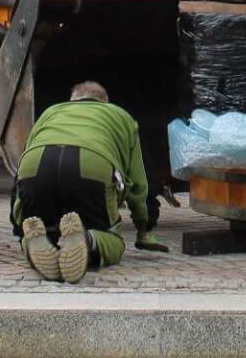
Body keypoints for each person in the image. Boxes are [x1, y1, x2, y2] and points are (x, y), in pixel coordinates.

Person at [12, 82, 162, 283]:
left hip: (37, 164)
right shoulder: (121, 116)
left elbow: (19, 179)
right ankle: (88, 239)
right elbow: (138, 182)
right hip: (91, 165)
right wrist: (143, 224)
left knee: (41, 225)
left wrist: (19, 223)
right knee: (113, 240)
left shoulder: (51, 112)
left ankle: (33, 240)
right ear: (104, 102)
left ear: (73, 100)